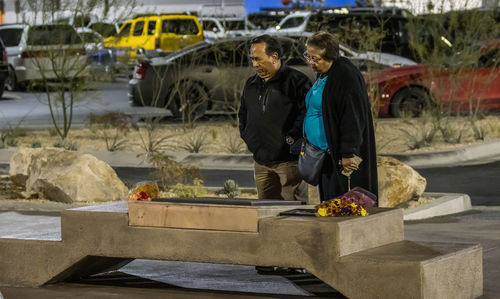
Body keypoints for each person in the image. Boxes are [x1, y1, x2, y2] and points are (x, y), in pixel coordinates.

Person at [302, 31, 378, 203]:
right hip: (325, 154)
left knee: (343, 202)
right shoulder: (325, 73)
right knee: (329, 201)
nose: (310, 62)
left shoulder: (345, 75)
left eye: (315, 58)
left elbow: (352, 117)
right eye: (308, 56)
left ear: (330, 56)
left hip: (341, 157)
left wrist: (348, 153)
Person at [238, 34, 311, 202]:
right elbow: (243, 114)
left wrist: (290, 139)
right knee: (265, 212)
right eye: (252, 59)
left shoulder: (297, 82)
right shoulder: (251, 84)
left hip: (289, 162)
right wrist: (248, 137)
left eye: (258, 59)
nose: (255, 64)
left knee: (294, 212)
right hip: (261, 161)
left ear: (274, 57)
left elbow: (307, 115)